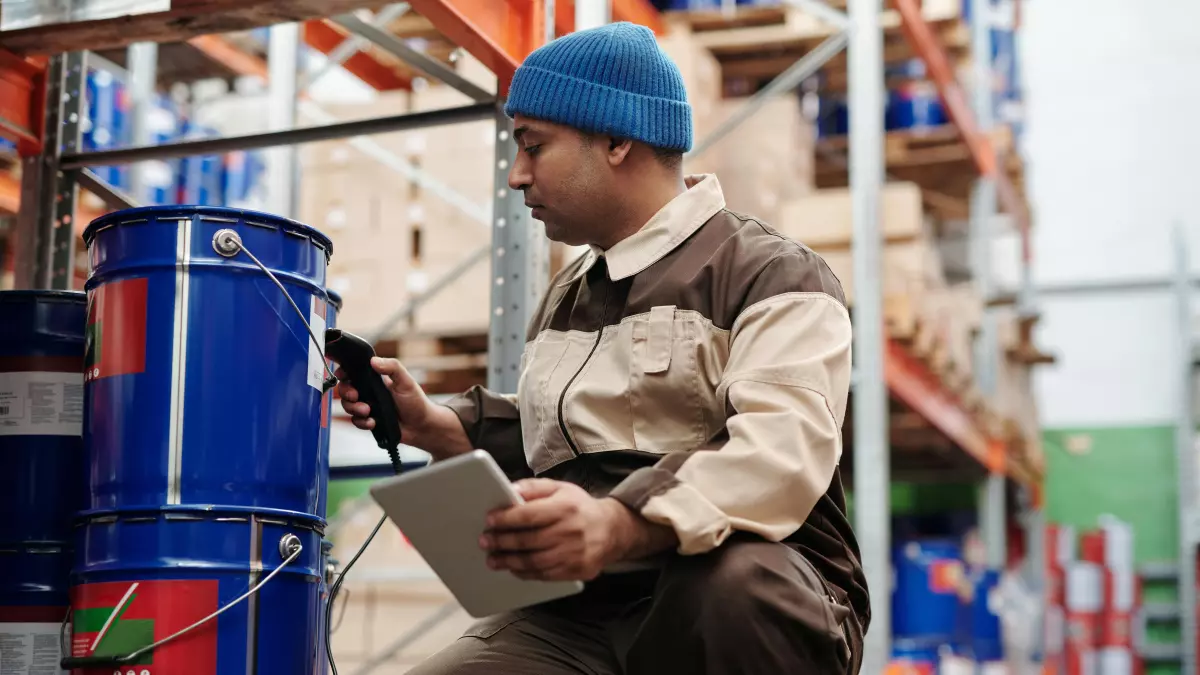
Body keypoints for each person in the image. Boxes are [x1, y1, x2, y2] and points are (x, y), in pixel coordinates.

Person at [336, 20, 869, 675]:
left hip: (741, 602)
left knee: (733, 585)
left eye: (533, 146)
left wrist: (618, 522)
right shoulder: (569, 293)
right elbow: (567, 448)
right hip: (586, 609)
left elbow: (778, 453)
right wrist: (437, 425)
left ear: (617, 140)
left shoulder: (774, 275)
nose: (515, 176)